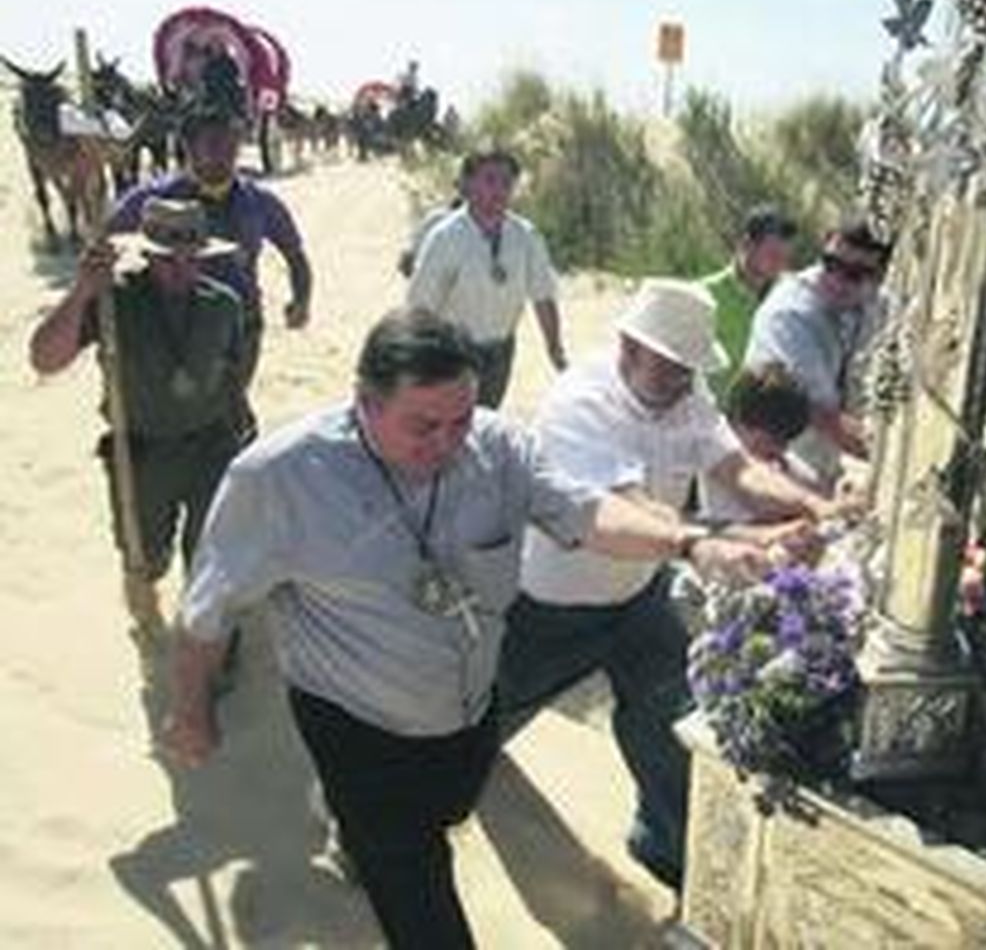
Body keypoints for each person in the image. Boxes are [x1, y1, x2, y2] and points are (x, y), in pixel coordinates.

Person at [162, 307, 770, 949]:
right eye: (422, 426)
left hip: (470, 711)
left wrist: (689, 544)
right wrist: (190, 711)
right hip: (357, 727)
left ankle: (361, 831)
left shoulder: (499, 449)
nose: (448, 443)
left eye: (461, 421)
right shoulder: (278, 479)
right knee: (420, 898)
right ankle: (366, 837)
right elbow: (208, 612)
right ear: (365, 401)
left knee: (448, 807)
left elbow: (587, 512)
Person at [500, 278, 837, 888]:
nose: (683, 381)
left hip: (637, 599)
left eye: (689, 370)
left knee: (668, 723)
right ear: (628, 347)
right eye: (671, 367)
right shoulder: (580, 405)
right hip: (552, 606)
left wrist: (816, 509)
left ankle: (667, 845)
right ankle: (387, 820)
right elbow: (631, 515)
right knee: (475, 719)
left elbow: (737, 469)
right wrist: (739, 541)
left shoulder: (687, 395)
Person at [28, 199, 248, 627]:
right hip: (142, 453)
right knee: (144, 557)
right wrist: (82, 292)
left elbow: (232, 376)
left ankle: (211, 648)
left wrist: (241, 432)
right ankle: (145, 602)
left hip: (210, 445)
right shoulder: (114, 301)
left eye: (192, 259)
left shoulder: (224, 305)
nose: (181, 269)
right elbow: (44, 359)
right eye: (168, 260)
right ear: (147, 253)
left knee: (210, 554)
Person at [108, 101, 314, 417]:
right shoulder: (153, 200)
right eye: (214, 143)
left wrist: (301, 299)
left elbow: (295, 254)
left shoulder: (259, 202)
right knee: (175, 412)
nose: (226, 153)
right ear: (189, 147)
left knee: (227, 407)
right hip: (170, 327)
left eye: (233, 143)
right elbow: (104, 244)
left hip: (241, 326)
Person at [406, 150, 567, 408]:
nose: (499, 190)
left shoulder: (526, 236)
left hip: (501, 351)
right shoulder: (445, 238)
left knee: (487, 418)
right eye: (490, 180)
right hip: (453, 352)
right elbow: (420, 307)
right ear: (468, 184)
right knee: (455, 422)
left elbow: (543, 295)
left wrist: (554, 347)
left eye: (507, 182)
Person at [743, 217, 893, 490]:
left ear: (878, 276)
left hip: (829, 467)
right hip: (777, 467)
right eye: (831, 263)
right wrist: (894, 459)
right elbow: (824, 416)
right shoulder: (789, 315)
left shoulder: (874, 303)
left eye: (854, 274)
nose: (837, 280)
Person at [698, 363, 822, 523]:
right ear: (738, 424)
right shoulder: (717, 449)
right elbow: (761, 503)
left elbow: (813, 484)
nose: (780, 449)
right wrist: (812, 504)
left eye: (786, 441)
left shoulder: (774, 456)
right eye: (773, 441)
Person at [697, 205, 798, 399]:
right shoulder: (704, 296)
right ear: (746, 245)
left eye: (786, 258)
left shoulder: (787, 302)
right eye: (773, 255)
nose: (780, 265)